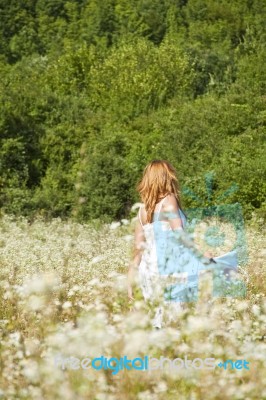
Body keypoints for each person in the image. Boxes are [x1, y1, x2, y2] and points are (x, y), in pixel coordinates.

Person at [127, 160, 207, 329]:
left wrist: (130, 280)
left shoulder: (142, 210)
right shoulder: (169, 200)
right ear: (165, 177)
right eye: (172, 173)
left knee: (154, 321)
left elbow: (137, 252)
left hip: (147, 272)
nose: (174, 177)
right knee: (174, 323)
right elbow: (180, 235)